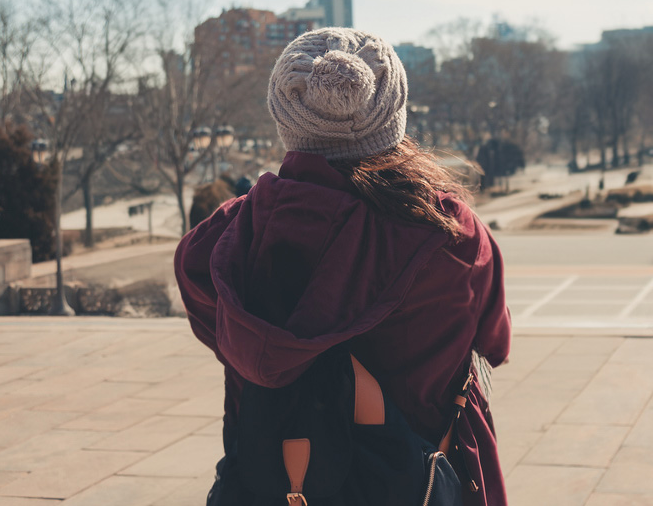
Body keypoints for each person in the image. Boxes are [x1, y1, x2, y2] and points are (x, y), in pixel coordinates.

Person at [175, 27, 511, 505]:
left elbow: (231, 340)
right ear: (393, 113)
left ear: (284, 116)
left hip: (276, 486)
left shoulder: (221, 241)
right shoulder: (453, 234)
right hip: (414, 486)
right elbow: (495, 345)